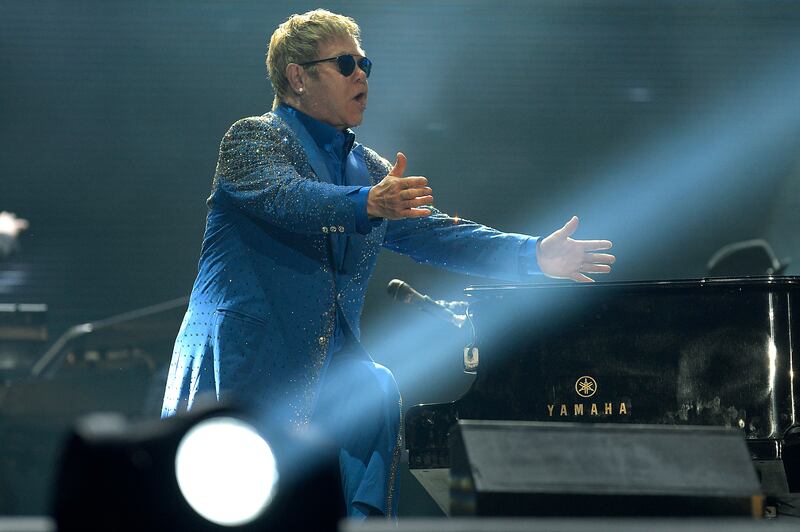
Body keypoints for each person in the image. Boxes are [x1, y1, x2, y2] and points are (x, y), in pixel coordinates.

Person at [161, 9, 615, 519]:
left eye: (365, 65)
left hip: (331, 374)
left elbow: (440, 234)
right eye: (346, 63)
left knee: (374, 387)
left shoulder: (369, 169)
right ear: (297, 76)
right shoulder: (253, 139)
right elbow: (291, 199)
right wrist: (367, 205)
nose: (362, 76)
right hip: (247, 361)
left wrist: (532, 255)